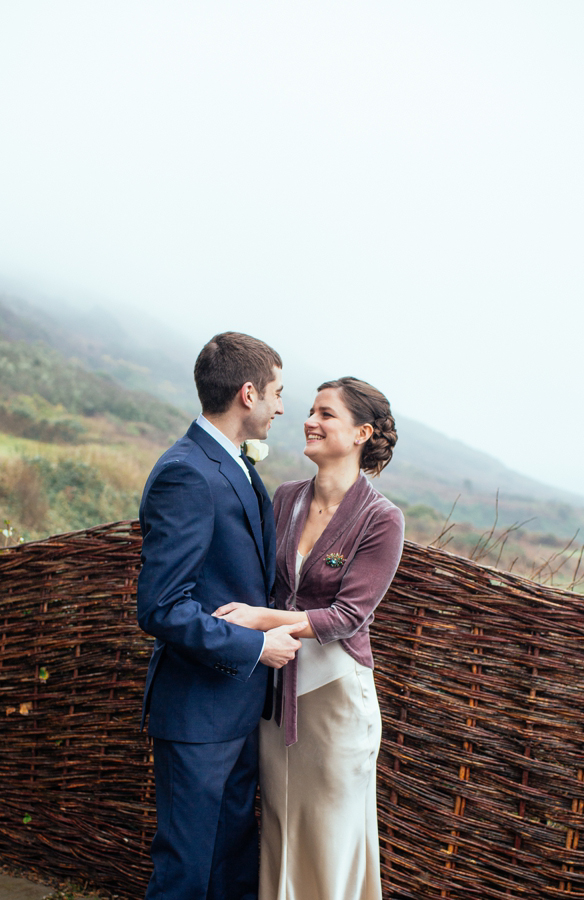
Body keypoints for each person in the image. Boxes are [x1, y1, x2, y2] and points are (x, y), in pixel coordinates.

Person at [214, 376, 405, 900]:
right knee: (280, 831)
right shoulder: (286, 498)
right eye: (310, 411)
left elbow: (348, 615)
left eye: (326, 414)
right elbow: (263, 580)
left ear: (362, 432)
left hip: (337, 703)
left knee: (330, 839)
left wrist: (259, 620)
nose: (309, 421)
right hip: (277, 699)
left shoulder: (381, 519)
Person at [137, 332, 304, 900]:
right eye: (279, 393)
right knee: (186, 873)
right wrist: (258, 646)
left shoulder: (230, 464)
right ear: (248, 393)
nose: (284, 407)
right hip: (198, 713)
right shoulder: (187, 472)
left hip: (236, 709)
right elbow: (162, 607)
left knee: (229, 869)